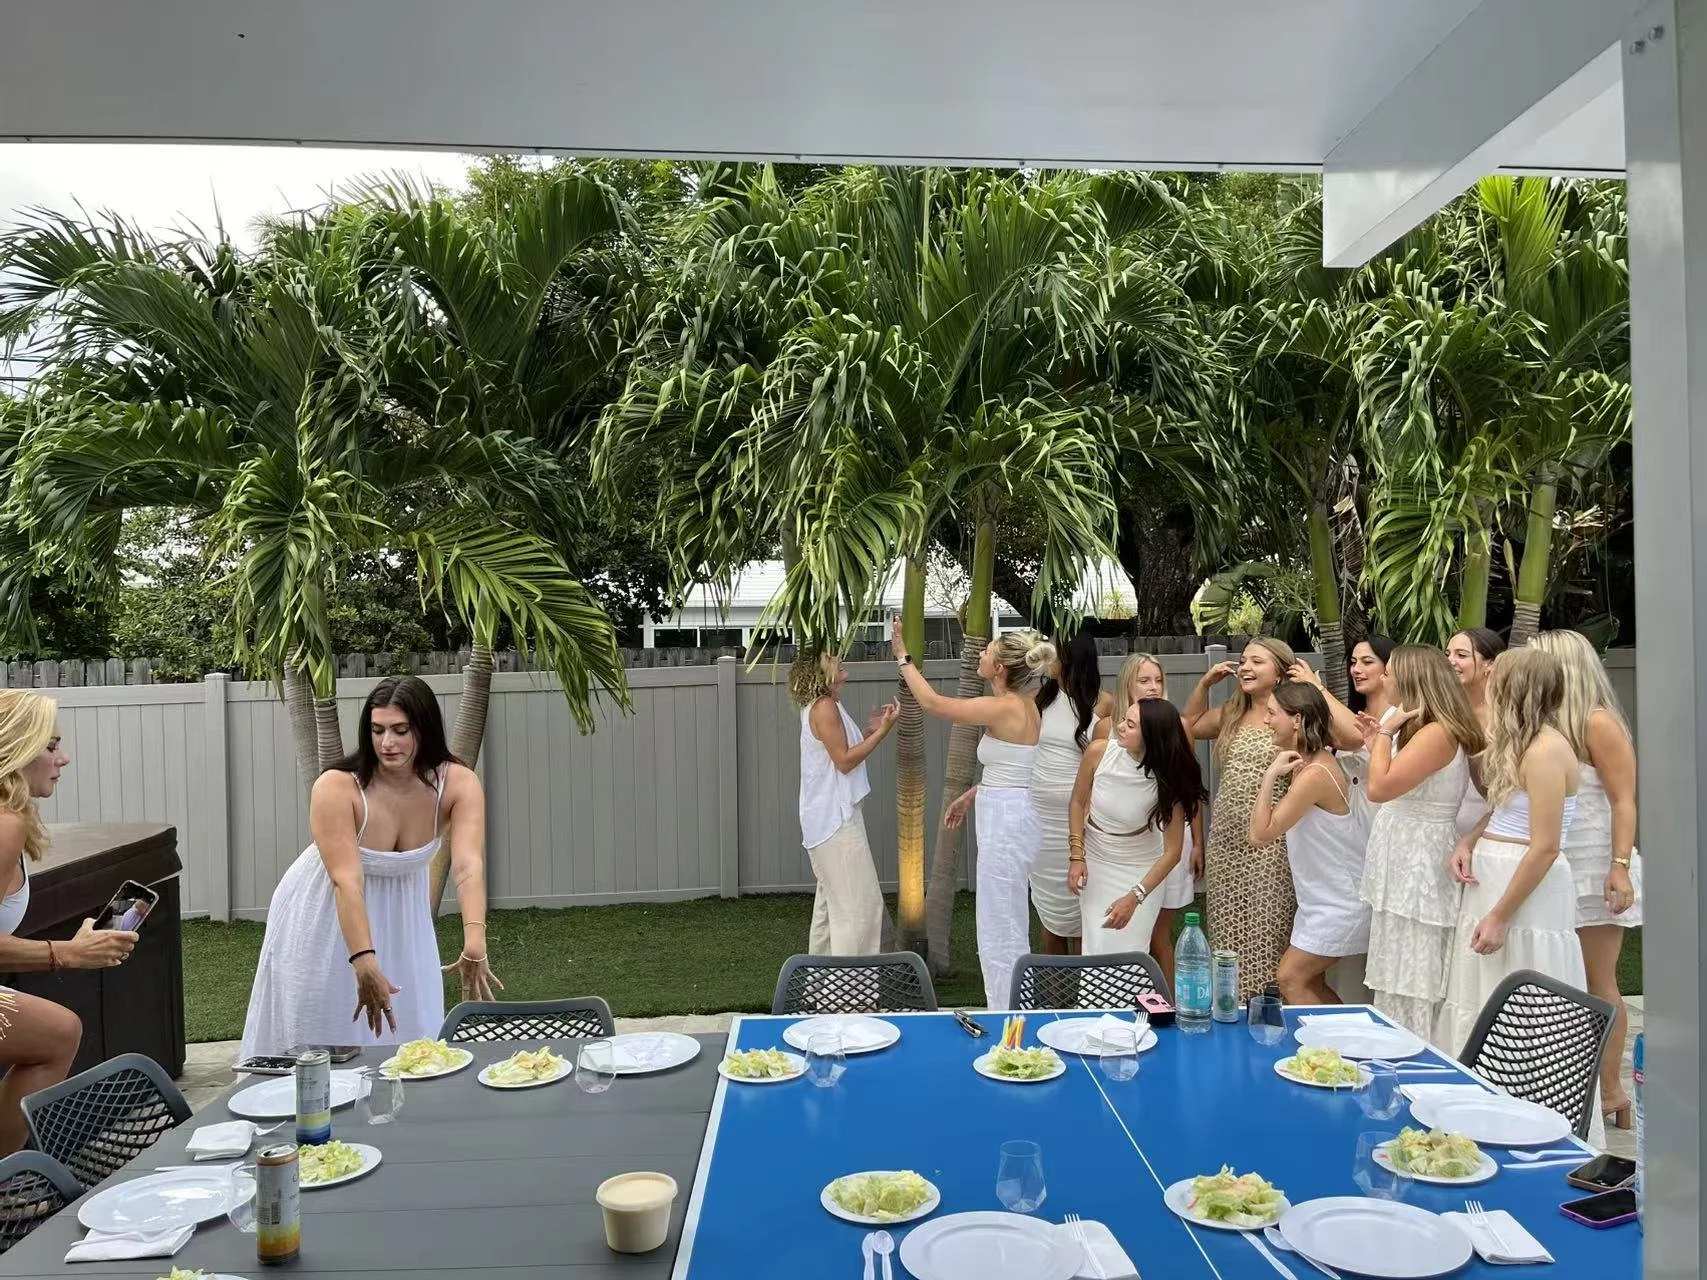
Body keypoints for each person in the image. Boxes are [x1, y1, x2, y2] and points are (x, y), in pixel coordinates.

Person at [240, 676, 501, 1059]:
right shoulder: (338, 786)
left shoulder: (458, 783)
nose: (387, 743)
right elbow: (346, 881)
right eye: (377, 730)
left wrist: (474, 940)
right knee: (326, 1038)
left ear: (424, 730)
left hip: (404, 918)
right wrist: (362, 960)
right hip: (327, 914)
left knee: (414, 1038)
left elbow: (467, 865)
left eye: (400, 730)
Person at [0, 691, 137, 1155]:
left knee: (58, 1032)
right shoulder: (5, 824)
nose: (65, 757)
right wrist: (66, 953)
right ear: (16, 749)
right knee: (58, 1033)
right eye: (51, 745)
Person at [892, 619, 1052, 1009]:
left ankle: (1008, 1012)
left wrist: (902, 657)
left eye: (988, 652)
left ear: (999, 669)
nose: (980, 653)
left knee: (1000, 923)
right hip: (1007, 812)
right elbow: (1015, 767)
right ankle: (1011, 1004)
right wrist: (974, 794)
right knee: (1004, 916)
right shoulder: (1024, 705)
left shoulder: (1004, 706)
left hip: (1007, 822)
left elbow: (932, 704)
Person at [1437, 648, 1585, 1053]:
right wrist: (1468, 842)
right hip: (1492, 880)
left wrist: (1501, 915)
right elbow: (1502, 811)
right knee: (1480, 996)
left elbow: (1546, 846)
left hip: (1525, 891)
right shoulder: (1517, 743)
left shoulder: (1545, 750)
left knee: (1526, 1007)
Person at [1529, 629, 1641, 1128]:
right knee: (1561, 977)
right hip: (1559, 862)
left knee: (1599, 981)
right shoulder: (1549, 729)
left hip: (1597, 863)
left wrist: (1619, 865)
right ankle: (1571, 1082)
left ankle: (1611, 1091)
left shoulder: (1597, 722)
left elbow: (1624, 799)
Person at [1359, 645, 1486, 1039]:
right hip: (1402, 854)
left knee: (1415, 970)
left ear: (1412, 680)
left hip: (1419, 863)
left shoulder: (1438, 732)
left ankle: (1412, 1049)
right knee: (1396, 965)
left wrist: (1383, 732)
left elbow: (1379, 788)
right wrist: (1377, 742)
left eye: (1391, 672)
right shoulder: (1423, 729)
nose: (1384, 679)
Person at [1182, 637, 1299, 999]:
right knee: (1227, 931)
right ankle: (1229, 1006)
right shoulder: (1233, 712)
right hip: (1226, 841)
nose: (1245, 667)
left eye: (1257, 662)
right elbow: (1189, 725)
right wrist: (1204, 685)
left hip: (1270, 842)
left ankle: (1264, 1009)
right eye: (1243, 660)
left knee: (1266, 930)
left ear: (1280, 672)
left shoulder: (1292, 717)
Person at [1248, 682, 1371, 1004]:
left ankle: (1334, 1053)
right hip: (1320, 900)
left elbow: (1260, 834)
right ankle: (1346, 1046)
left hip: (1341, 902)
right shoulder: (1307, 764)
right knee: (1308, 983)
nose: (1266, 720)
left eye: (1273, 713)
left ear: (1298, 720)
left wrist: (1269, 776)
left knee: (1290, 978)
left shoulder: (1316, 773)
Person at [1066, 699, 1203, 954]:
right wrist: (1077, 855)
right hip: (1096, 863)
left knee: (1132, 951)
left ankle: (1135, 995)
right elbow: (1076, 802)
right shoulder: (1098, 752)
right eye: (1123, 720)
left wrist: (1135, 897)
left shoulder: (1167, 779)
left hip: (1140, 871)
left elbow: (1172, 853)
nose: (1119, 727)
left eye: (1130, 725)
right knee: (1096, 946)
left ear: (1152, 735)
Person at [790, 649, 899, 956]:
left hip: (831, 819)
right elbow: (844, 761)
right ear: (821, 671)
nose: (843, 666)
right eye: (835, 662)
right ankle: (851, 996)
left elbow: (841, 749)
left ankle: (823, 992)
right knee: (858, 911)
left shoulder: (829, 704)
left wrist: (870, 732)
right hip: (834, 823)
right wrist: (884, 733)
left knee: (831, 909)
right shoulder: (824, 706)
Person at [1020, 632, 1113, 955]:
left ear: (1072, 660)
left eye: (1055, 656)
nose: (1050, 661)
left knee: (1083, 905)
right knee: (1050, 912)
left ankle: (1086, 992)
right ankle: (1054, 994)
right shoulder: (1038, 699)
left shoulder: (1103, 703)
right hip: (1041, 820)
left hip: (1078, 818)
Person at [1115, 654, 1203, 987]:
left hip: (1169, 840)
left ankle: (1170, 1003)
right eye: (1144, 680)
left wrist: (1197, 843)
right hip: (1125, 846)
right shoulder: (1114, 728)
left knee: (1157, 932)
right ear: (1128, 684)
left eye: (1158, 681)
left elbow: (1189, 790)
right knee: (1131, 929)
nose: (1153, 687)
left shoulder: (1176, 725)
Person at [1447, 627, 1506, 840]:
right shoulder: (1447, 708)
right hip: (1446, 816)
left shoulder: (1503, 716)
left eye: (1461, 655)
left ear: (1490, 664)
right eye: (1447, 654)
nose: (1451, 661)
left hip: (1491, 816)